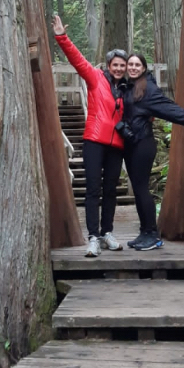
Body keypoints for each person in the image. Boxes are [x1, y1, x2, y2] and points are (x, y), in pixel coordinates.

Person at [121, 53, 184, 251]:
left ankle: (153, 234)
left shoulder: (149, 89)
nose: (133, 67)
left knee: (142, 189)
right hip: (130, 144)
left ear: (144, 68)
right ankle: (145, 232)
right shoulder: (129, 86)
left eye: (137, 64)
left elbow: (169, 109)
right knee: (138, 190)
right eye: (131, 64)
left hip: (142, 145)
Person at [52, 15, 127, 257]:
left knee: (111, 190)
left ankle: (107, 233)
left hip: (117, 145)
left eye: (122, 65)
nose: (118, 68)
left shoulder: (127, 87)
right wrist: (62, 37)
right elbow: (77, 60)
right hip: (94, 141)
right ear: (108, 65)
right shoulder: (96, 78)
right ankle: (93, 236)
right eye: (115, 64)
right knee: (93, 189)